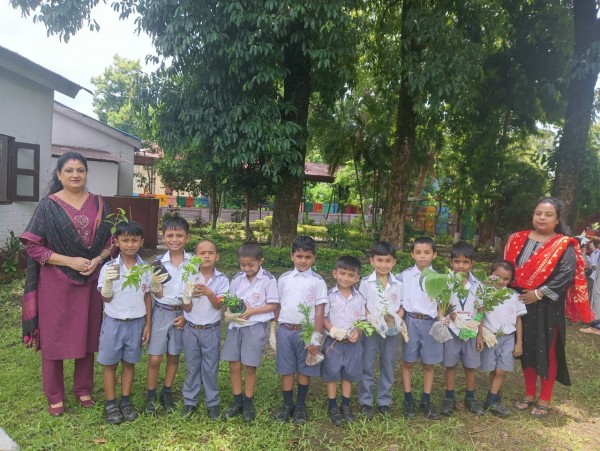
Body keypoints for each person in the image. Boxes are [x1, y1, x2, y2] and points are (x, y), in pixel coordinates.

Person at [20, 152, 112, 416]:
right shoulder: (48, 206)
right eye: (69, 170)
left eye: (80, 170)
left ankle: (83, 389)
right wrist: (69, 261)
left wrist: (97, 259)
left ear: (86, 174)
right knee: (54, 338)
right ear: (59, 175)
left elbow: (112, 241)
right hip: (56, 283)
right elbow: (33, 246)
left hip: (90, 279)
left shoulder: (99, 204)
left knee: (88, 335)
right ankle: (55, 394)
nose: (75, 175)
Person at [505, 197, 591, 417]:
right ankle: (529, 394)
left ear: (557, 219)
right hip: (520, 302)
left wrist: (538, 293)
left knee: (547, 349)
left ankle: (545, 398)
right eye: (538, 213)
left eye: (548, 214)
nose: (542, 218)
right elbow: (506, 269)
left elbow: (566, 274)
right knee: (525, 348)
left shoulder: (563, 244)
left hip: (548, 305)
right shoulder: (516, 239)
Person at [97, 221, 165, 424]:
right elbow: (106, 297)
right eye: (125, 240)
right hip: (113, 322)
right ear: (116, 242)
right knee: (110, 363)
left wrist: (148, 324)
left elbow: (147, 297)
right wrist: (107, 285)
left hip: (136, 323)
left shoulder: (145, 268)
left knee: (129, 362)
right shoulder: (109, 267)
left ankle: (125, 400)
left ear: (141, 242)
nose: (129, 244)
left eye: (134, 240)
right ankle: (111, 403)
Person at [221, 242, 279, 422]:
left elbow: (273, 304)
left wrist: (253, 311)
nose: (246, 269)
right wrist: (230, 312)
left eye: (251, 265)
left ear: (260, 261)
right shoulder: (237, 278)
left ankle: (248, 402)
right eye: (242, 265)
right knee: (233, 364)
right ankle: (237, 401)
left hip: (255, 327)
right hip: (236, 326)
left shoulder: (268, 279)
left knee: (249, 365)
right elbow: (231, 300)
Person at [275, 236, 327, 425]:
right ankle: (287, 404)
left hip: (307, 331)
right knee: (287, 369)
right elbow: (278, 305)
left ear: (314, 258)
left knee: (305, 368)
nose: (303, 261)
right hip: (286, 330)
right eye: (299, 256)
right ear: (292, 256)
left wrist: (316, 339)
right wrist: (275, 327)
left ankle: (300, 405)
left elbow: (319, 311)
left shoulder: (318, 281)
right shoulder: (284, 279)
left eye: (307, 257)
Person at [145, 216, 191, 415]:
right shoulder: (157, 263)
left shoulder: (193, 263)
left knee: (173, 356)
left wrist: (186, 317)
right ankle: (150, 395)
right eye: (170, 235)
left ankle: (167, 392)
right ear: (163, 237)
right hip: (161, 312)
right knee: (155, 358)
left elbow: (195, 293)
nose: (175, 239)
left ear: (187, 238)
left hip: (182, 313)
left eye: (179, 235)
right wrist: (156, 288)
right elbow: (155, 294)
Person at [180, 240, 229, 420]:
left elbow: (218, 306)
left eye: (210, 253)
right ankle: (190, 401)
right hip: (191, 329)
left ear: (217, 256)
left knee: (210, 367)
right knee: (192, 366)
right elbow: (186, 308)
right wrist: (187, 297)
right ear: (195, 257)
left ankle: (212, 402)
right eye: (202, 253)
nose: (206, 256)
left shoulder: (222, 279)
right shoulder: (189, 276)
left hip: (211, 330)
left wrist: (209, 292)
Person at [397, 237, 442, 420]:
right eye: (418, 252)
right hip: (411, 322)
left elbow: (442, 304)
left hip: (431, 323)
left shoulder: (439, 278)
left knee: (428, 364)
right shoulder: (404, 276)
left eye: (427, 253)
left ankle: (426, 399)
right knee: (407, 361)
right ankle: (408, 399)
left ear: (434, 255)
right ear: (412, 254)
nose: (422, 256)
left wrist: (442, 319)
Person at [358, 241, 403, 419]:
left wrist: (395, 321)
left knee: (388, 364)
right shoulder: (365, 282)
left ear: (394, 262)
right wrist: (372, 319)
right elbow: (361, 304)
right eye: (379, 260)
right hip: (371, 330)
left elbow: (402, 306)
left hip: (391, 331)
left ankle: (384, 401)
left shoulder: (399, 284)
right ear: (372, 261)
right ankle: (366, 401)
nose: (383, 265)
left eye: (388, 261)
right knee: (367, 364)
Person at [440, 241, 485, 416]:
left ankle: (470, 397)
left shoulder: (478, 285)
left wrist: (479, 334)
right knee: (450, 365)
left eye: (465, 262)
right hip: (452, 330)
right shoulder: (446, 283)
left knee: (470, 366)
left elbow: (481, 310)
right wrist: (453, 317)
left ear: (472, 263)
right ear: (451, 262)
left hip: (471, 332)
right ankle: (449, 397)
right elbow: (443, 305)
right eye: (457, 261)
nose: (461, 266)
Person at [322, 256, 365, 426]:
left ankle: (345, 405)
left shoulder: (359, 298)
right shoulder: (329, 296)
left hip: (352, 344)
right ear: (335, 273)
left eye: (351, 275)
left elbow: (361, 320)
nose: (346, 278)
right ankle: (332, 405)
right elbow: (323, 317)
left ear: (357, 278)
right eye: (342, 273)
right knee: (332, 374)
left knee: (349, 374)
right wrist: (333, 330)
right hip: (333, 344)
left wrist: (358, 331)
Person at [479, 260, 526, 417]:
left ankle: (490, 400)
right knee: (493, 369)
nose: (501, 281)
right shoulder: (484, 294)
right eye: (497, 276)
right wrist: (480, 335)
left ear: (511, 280)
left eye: (506, 279)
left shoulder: (514, 296)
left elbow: (518, 320)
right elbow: (479, 316)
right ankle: (495, 395)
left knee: (501, 371)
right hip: (490, 338)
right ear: (490, 274)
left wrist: (519, 343)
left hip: (508, 338)